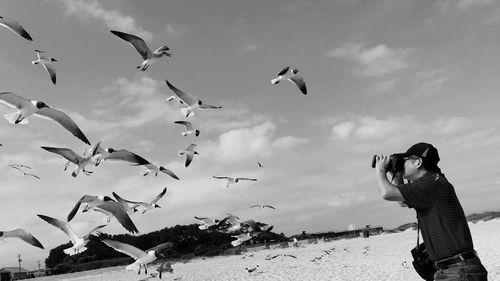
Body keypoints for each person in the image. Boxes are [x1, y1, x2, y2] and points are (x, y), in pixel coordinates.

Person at [374, 142, 488, 281]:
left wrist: (380, 170)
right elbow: (402, 202)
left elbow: (387, 193)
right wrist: (397, 175)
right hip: (454, 269)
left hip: (459, 271)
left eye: (404, 161)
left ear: (418, 162)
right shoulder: (434, 181)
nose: (401, 164)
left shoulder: (431, 183)